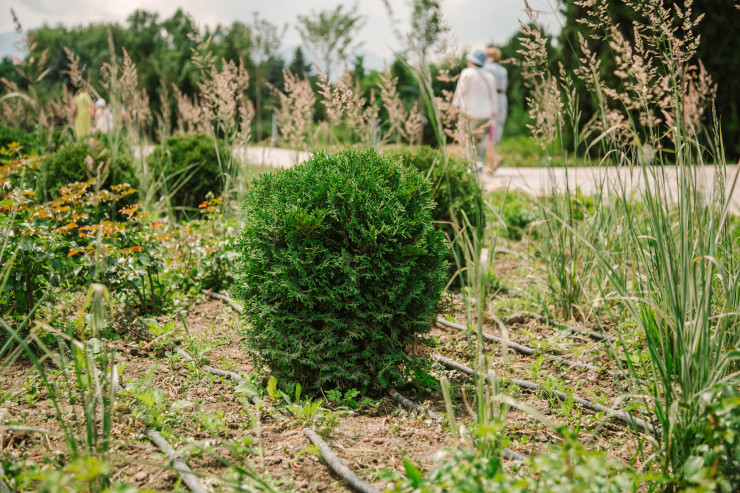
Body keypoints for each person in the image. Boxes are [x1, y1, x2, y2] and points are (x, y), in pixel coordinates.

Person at [450, 49, 498, 172]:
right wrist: (494, 111)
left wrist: (454, 108)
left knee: (466, 139)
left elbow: (460, 91)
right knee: (480, 140)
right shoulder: (490, 76)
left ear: (472, 61)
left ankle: (469, 165)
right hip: (486, 114)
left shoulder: (467, 72)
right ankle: (479, 163)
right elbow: (493, 95)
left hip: (469, 112)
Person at [484, 46, 507, 173]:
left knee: (488, 131)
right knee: (495, 130)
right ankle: (490, 162)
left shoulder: (487, 68)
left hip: (491, 99)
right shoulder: (503, 70)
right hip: (502, 98)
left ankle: (494, 159)